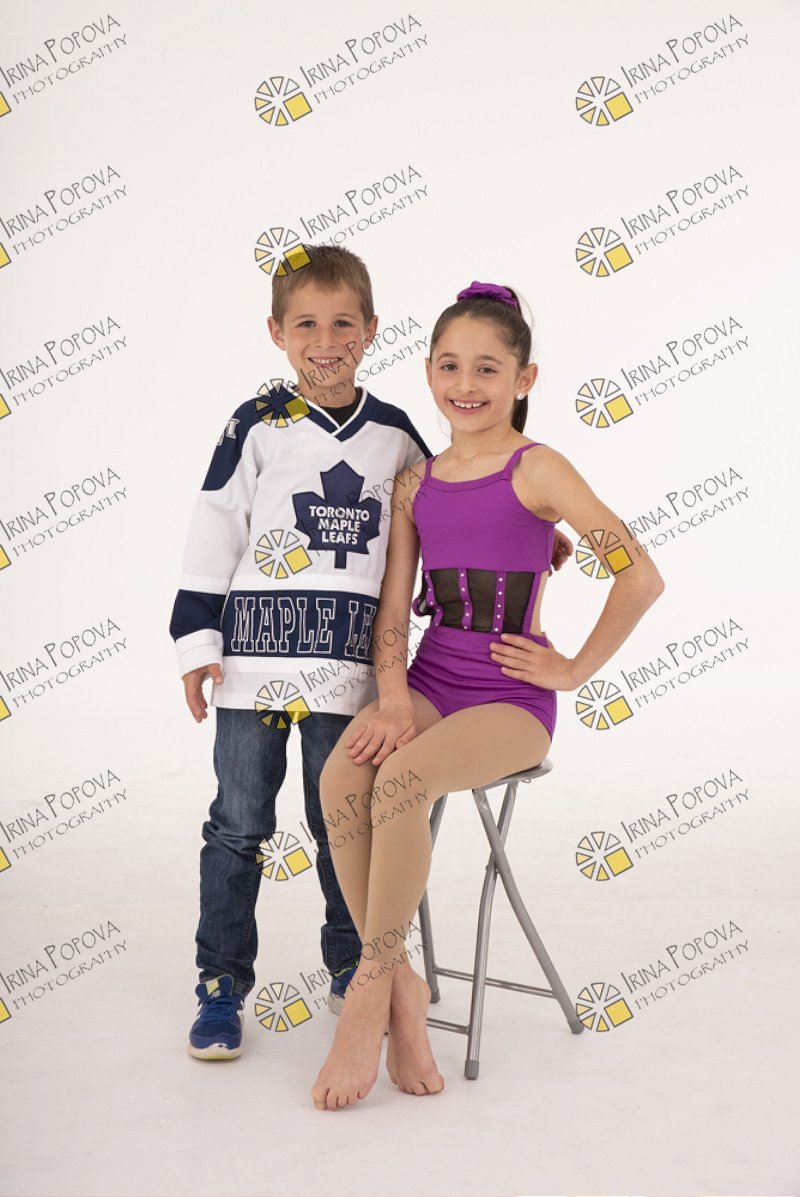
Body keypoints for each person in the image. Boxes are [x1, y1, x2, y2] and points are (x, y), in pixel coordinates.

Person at [311, 280, 666, 1110]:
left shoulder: (538, 467)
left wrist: (572, 669)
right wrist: (391, 698)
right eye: (448, 365)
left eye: (486, 368)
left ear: (523, 378)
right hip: (432, 679)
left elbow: (640, 575)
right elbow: (393, 611)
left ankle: (369, 992)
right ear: (428, 371)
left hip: (511, 699)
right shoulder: (415, 482)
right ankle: (404, 983)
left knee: (402, 781)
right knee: (342, 775)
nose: (464, 384)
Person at [168, 244, 434, 1058]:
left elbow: (439, 518)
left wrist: (524, 544)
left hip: (348, 674)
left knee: (341, 822)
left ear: (372, 329)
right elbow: (215, 524)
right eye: (307, 324)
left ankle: (353, 966)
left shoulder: (395, 435)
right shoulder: (257, 424)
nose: (326, 341)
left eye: (343, 323)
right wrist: (196, 640)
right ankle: (221, 983)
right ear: (277, 332)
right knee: (238, 823)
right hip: (252, 668)